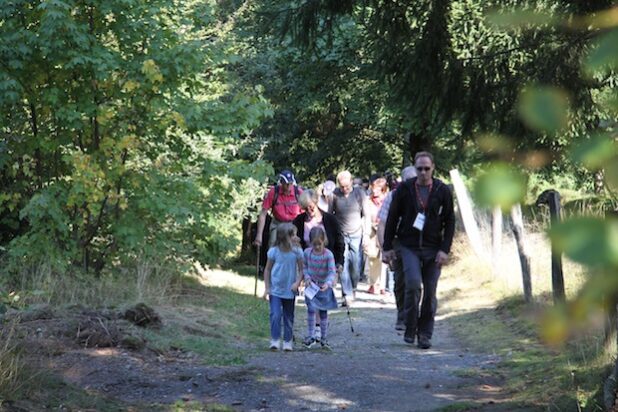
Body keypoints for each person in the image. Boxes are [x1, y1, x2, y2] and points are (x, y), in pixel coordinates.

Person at [382, 152, 455, 349]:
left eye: (426, 168)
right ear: (415, 169)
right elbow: (391, 218)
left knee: (430, 292)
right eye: (419, 168)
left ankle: (425, 334)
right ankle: (410, 326)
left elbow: (450, 222)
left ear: (433, 168)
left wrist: (444, 250)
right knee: (413, 284)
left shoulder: (442, 190)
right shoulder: (405, 189)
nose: (423, 172)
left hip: (433, 248)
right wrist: (387, 247)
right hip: (409, 246)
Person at [377, 166, 417, 330]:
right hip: (398, 242)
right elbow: (382, 225)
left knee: (415, 281)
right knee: (400, 280)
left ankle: (413, 315)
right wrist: (384, 249)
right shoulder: (393, 197)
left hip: (418, 242)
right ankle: (402, 314)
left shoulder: (424, 196)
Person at [263, 223, 304, 351]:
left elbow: (302, 270)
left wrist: (297, 283)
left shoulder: (297, 252)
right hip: (275, 289)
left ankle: (287, 341)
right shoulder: (274, 251)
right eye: (293, 235)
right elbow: (267, 269)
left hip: (290, 290)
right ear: (284, 237)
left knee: (288, 316)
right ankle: (275, 339)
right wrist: (267, 287)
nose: (296, 237)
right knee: (275, 314)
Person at [329, 170, 368, 303]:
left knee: (356, 266)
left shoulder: (359, 193)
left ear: (352, 182)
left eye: (347, 186)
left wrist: (366, 235)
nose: (345, 189)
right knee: (342, 264)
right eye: (342, 187)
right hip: (341, 234)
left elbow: (366, 215)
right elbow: (329, 215)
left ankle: (354, 287)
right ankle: (347, 294)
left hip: (356, 233)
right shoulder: (334, 195)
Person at [302, 227, 338, 350]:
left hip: (324, 287)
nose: (317, 247)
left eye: (319, 244)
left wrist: (328, 283)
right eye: (314, 244)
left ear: (324, 241)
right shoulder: (307, 253)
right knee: (311, 310)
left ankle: (323, 337)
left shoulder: (328, 255)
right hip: (312, 286)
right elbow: (305, 267)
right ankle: (311, 335)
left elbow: (332, 271)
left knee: (323, 312)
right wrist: (306, 278)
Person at [254, 170, 303, 249]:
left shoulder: (299, 193)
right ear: (281, 183)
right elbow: (263, 214)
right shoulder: (274, 192)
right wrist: (259, 235)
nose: (289, 186)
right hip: (277, 224)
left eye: (290, 183)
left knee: (294, 248)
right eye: (286, 184)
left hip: (294, 224)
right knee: (273, 247)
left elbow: (305, 213)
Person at [363, 174, 389, 294]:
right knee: (372, 257)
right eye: (373, 188)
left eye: (378, 188)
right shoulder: (368, 201)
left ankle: (382, 285)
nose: (375, 190)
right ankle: (373, 283)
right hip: (372, 230)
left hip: (385, 230)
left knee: (384, 258)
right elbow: (367, 218)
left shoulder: (388, 199)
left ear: (383, 189)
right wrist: (366, 235)